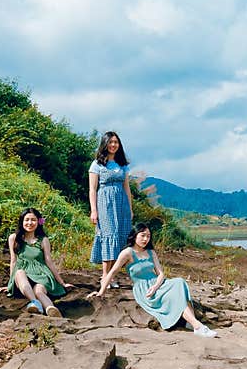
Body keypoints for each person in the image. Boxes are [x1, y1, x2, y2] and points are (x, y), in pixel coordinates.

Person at [87, 223, 217, 337]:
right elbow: (112, 273)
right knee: (175, 295)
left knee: (179, 283)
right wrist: (101, 292)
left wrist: (155, 286)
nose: (145, 239)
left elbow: (160, 273)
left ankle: (194, 324)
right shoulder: (127, 253)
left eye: (148, 236)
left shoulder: (150, 252)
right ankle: (198, 326)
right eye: (142, 235)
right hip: (143, 288)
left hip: (157, 284)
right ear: (135, 235)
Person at [0, 208, 74, 317]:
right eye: (27, 220)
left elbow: (49, 262)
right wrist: (10, 284)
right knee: (19, 272)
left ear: (38, 222)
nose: (30, 223)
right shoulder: (14, 238)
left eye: (33, 220)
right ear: (22, 222)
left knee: (39, 290)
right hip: (23, 277)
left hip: (41, 274)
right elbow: (13, 261)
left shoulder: (43, 240)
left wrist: (62, 282)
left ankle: (51, 309)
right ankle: (35, 303)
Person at [89, 131, 134, 289]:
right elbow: (92, 189)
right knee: (108, 236)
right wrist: (94, 210)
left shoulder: (123, 165)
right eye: (111, 142)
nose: (113, 145)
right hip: (104, 203)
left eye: (116, 142)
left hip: (121, 204)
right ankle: (104, 277)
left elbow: (127, 188)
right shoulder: (97, 164)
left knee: (120, 237)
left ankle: (112, 277)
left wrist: (130, 208)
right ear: (105, 144)